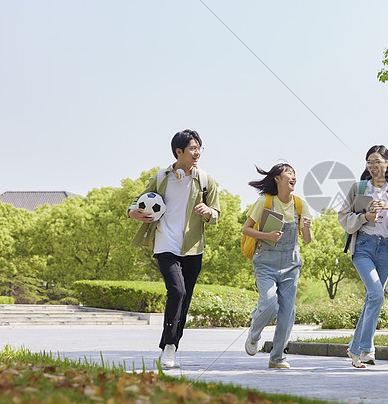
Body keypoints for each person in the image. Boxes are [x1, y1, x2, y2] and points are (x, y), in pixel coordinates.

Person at [127, 129, 220, 369]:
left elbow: (216, 213)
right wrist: (133, 213)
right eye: (192, 148)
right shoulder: (161, 177)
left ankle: (173, 347)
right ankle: (168, 346)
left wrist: (209, 212)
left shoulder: (206, 181)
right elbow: (136, 204)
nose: (197, 152)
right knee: (176, 292)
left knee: (185, 300)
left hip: (192, 247)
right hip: (165, 244)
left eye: (199, 148)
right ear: (179, 151)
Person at [338, 145, 388, 368]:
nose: (373, 166)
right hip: (363, 247)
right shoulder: (359, 188)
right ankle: (362, 349)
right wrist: (364, 217)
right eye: (369, 162)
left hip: (386, 249)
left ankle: (361, 349)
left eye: (378, 161)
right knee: (377, 294)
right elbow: (343, 217)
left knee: (374, 298)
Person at [242, 163, 312, 369]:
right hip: (265, 263)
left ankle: (277, 357)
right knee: (270, 304)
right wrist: (267, 236)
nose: (293, 177)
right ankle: (254, 334)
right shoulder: (264, 201)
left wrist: (306, 229)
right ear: (277, 179)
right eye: (288, 173)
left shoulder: (300, 205)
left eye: (294, 174)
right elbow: (246, 230)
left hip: (291, 265)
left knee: (287, 312)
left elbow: (306, 240)